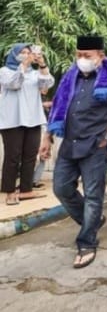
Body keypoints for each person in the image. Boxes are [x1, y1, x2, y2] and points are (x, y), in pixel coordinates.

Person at [39, 36, 107, 269]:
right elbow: (59, 106)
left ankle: (87, 242)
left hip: (95, 145)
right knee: (61, 187)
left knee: (93, 195)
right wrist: (47, 136)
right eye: (79, 55)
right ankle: (91, 221)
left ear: (100, 57)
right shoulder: (69, 77)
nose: (82, 59)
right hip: (70, 143)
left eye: (87, 56)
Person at [0, 43, 54, 205]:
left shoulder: (34, 74)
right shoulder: (4, 71)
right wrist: (23, 65)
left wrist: (42, 63)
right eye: (22, 53)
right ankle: (9, 192)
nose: (26, 55)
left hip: (33, 119)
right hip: (12, 120)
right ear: (14, 55)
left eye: (28, 52)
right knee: (12, 157)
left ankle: (26, 190)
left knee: (30, 156)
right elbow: (14, 84)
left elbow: (46, 85)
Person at [32, 89, 53, 190]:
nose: (45, 88)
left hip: (46, 128)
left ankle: (35, 181)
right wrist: (44, 104)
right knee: (35, 156)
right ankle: (30, 182)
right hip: (38, 128)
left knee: (43, 156)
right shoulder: (33, 97)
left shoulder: (45, 98)